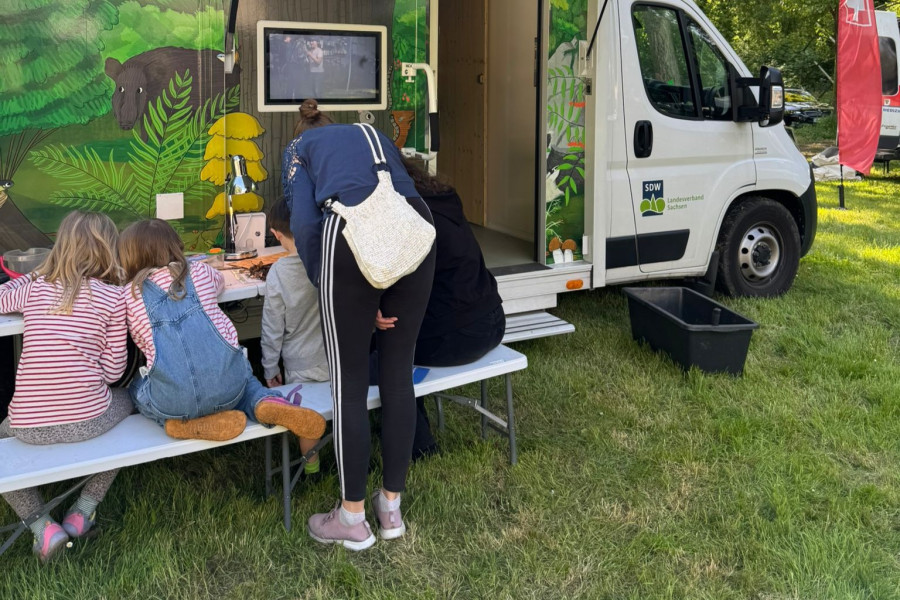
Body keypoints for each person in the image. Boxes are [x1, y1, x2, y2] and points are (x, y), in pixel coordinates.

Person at [283, 99, 435, 550]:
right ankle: (390, 508)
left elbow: (305, 225)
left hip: (349, 233)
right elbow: (392, 210)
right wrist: (374, 294)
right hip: (417, 229)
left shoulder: (297, 150)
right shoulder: (374, 136)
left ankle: (351, 518)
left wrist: (336, 290)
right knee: (398, 373)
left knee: (349, 382)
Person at [117, 219, 326, 446]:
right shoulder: (199, 271)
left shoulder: (129, 294)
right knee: (245, 382)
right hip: (230, 388)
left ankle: (177, 424)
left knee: (137, 387)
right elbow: (219, 283)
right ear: (175, 245)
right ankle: (262, 402)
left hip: (174, 402)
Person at [0, 211, 131, 562]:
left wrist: (32, 275)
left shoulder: (35, 288)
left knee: (1, 439)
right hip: (89, 421)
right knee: (131, 409)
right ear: (109, 249)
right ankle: (82, 512)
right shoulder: (115, 297)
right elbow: (114, 373)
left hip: (27, 426)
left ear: (61, 247)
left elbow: (0, 296)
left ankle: (42, 527)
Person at [376, 159, 505, 459]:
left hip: (459, 336)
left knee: (388, 347)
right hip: (494, 320)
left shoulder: (407, 216)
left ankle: (419, 444)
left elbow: (391, 282)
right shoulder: (444, 200)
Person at [262, 197, 330, 476]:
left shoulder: (278, 273)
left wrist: (269, 368)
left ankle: (311, 468)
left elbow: (272, 328)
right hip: (335, 358)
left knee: (306, 416)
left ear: (276, 234)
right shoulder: (327, 259)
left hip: (299, 364)